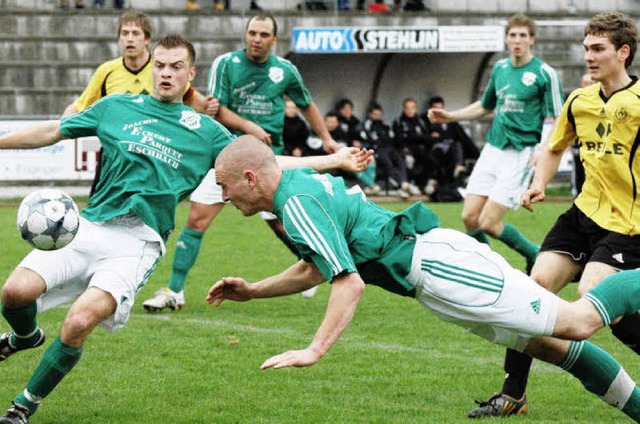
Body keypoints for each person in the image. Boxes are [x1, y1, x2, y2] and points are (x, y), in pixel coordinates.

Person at [0, 34, 373, 424]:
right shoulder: (116, 107)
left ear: (190, 74)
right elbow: (52, 131)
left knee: (78, 321)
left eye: (176, 67)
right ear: (150, 69)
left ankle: (23, 405)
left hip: (138, 242)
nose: (165, 73)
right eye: (159, 65)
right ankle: (25, 337)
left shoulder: (205, 131)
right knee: (14, 293)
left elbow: (264, 164)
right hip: (89, 225)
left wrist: (332, 162)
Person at [207, 136, 640, 422]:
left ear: (250, 178)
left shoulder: (296, 203)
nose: (224, 198)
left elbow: (348, 282)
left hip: (440, 268)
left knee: (579, 321)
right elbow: (315, 266)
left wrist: (314, 349)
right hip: (432, 275)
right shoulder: (296, 189)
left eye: (226, 187)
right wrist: (254, 291)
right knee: (554, 348)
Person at [467, 12, 640, 418]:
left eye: (598, 49)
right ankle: (513, 394)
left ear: (623, 53)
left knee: (592, 299)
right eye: (586, 49)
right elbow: (554, 147)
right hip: (582, 217)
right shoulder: (579, 101)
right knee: (533, 290)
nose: (589, 57)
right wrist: (540, 183)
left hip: (626, 225)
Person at [142, 12, 340, 312]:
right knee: (196, 220)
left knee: (285, 223)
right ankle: (175, 291)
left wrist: (326, 138)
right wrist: (250, 127)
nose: (256, 39)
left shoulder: (285, 70)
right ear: (245, 35)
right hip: (226, 156)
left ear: (274, 39)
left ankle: (315, 269)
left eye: (263, 35)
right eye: (252, 33)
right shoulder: (227, 64)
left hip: (268, 162)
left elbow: (306, 104)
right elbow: (216, 110)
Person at [428, 13, 564, 272]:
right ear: (505, 38)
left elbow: (558, 117)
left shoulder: (544, 73)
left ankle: (533, 253)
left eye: (523, 35)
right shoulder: (500, 69)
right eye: (512, 35)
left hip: (520, 152)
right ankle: (487, 268)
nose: (517, 40)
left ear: (532, 40)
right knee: (469, 217)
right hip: (493, 149)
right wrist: (450, 115)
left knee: (489, 222)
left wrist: (543, 148)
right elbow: (484, 106)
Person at [62, 11, 215, 197]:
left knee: (149, 211)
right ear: (119, 39)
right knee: (97, 213)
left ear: (147, 39)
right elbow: (79, 106)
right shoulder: (106, 71)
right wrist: (65, 123)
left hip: (153, 152)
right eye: (125, 33)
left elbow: (193, 99)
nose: (129, 39)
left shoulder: (161, 69)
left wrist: (209, 106)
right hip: (114, 155)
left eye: (135, 33)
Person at [359, 102, 415, 198]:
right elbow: (368, 139)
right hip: (376, 150)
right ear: (370, 114)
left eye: (379, 114)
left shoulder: (385, 126)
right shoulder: (366, 125)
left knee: (400, 159)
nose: (378, 117)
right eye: (375, 114)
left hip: (388, 148)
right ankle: (401, 183)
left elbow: (391, 138)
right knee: (387, 162)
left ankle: (404, 182)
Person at [392, 97, 435, 195]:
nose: (410, 110)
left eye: (412, 108)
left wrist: (410, 136)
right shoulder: (399, 121)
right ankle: (407, 185)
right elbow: (399, 139)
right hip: (405, 150)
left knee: (432, 162)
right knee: (408, 161)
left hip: (420, 149)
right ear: (404, 109)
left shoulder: (420, 121)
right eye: (408, 108)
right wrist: (417, 137)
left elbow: (427, 137)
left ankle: (420, 184)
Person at [570, 73, 594, 198]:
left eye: (591, 83)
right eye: (585, 83)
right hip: (579, 149)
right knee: (579, 179)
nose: (588, 86)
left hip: (596, 150)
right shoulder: (575, 103)